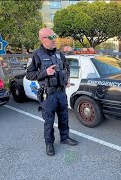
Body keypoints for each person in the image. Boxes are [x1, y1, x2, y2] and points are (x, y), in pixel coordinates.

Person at [26, 28, 78, 156]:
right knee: (49, 121)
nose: (54, 39)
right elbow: (29, 75)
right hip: (48, 95)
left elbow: (67, 67)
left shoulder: (60, 54)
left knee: (64, 117)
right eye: (50, 37)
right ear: (42, 39)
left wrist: (66, 79)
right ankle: (49, 144)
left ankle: (65, 138)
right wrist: (45, 72)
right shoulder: (37, 55)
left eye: (54, 36)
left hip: (61, 92)